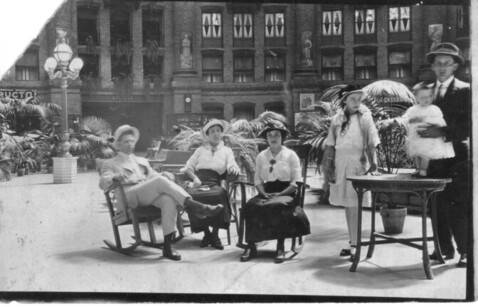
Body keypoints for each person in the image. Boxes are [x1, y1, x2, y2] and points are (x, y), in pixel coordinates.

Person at [99, 125, 223, 261]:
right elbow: (103, 181)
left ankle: (168, 246)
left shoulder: (142, 161)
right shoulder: (110, 163)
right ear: (117, 145)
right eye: (126, 141)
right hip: (129, 196)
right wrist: (114, 177)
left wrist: (164, 174)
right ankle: (197, 207)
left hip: (146, 194)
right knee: (159, 181)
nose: (130, 144)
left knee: (168, 199)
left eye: (132, 141)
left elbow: (154, 176)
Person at [417, 43, 471, 268]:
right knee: (435, 205)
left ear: (456, 66)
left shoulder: (466, 89)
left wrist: (441, 131)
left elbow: (469, 127)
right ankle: (443, 250)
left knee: (459, 205)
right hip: (434, 157)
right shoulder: (426, 91)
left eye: (447, 63)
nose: (442, 68)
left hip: (458, 158)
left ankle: (466, 252)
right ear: (432, 65)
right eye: (438, 63)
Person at [323, 84, 380, 262]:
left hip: (359, 164)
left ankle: (356, 245)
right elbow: (331, 144)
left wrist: (373, 162)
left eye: (359, 98)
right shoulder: (337, 119)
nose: (357, 102)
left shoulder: (365, 117)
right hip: (342, 165)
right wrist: (329, 168)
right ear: (344, 101)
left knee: (355, 205)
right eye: (352, 98)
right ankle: (352, 241)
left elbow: (371, 141)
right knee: (349, 206)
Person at [240, 121, 310, 263]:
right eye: (269, 135)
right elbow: (257, 179)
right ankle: (251, 245)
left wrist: (280, 194)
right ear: (266, 138)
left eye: (276, 134)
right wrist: (263, 193)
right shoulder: (261, 156)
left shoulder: (291, 155)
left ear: (282, 137)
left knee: (278, 206)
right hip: (267, 191)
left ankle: (280, 246)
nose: (273, 138)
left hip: (287, 191)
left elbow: (296, 182)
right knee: (252, 205)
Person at [180, 119, 240, 249]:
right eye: (212, 131)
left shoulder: (226, 151)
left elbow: (231, 164)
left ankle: (215, 234)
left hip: (214, 182)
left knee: (220, 194)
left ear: (221, 133)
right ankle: (206, 233)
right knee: (191, 196)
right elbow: (188, 167)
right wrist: (195, 178)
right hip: (199, 183)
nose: (215, 134)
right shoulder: (200, 150)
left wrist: (233, 168)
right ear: (207, 135)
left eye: (218, 130)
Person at [378, 82, 455, 177]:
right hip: (416, 137)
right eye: (423, 97)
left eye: (429, 96)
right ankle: (418, 169)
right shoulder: (413, 109)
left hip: (427, 137)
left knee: (425, 154)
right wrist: (412, 120)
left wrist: (427, 122)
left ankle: (423, 170)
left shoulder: (433, 109)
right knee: (417, 154)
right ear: (417, 98)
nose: (427, 99)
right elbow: (406, 119)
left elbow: (439, 122)